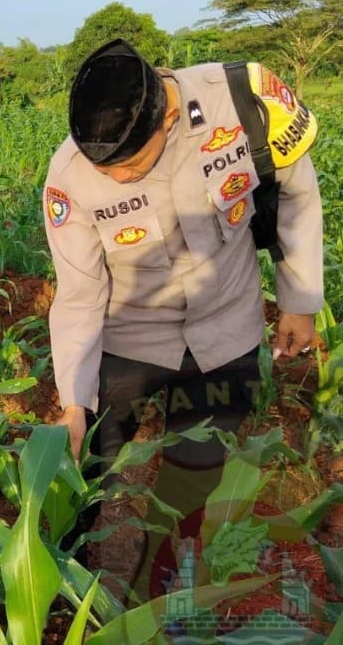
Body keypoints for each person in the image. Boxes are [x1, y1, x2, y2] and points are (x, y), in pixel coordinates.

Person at [43, 39, 323, 594]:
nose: (116, 178)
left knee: (195, 474)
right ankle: (53, 575)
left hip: (227, 328)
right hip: (131, 334)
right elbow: (78, 293)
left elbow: (298, 191)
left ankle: (164, 590)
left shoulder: (242, 102)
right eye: (107, 168)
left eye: (128, 165)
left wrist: (299, 301)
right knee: (83, 464)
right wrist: (74, 403)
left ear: (167, 116)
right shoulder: (69, 175)